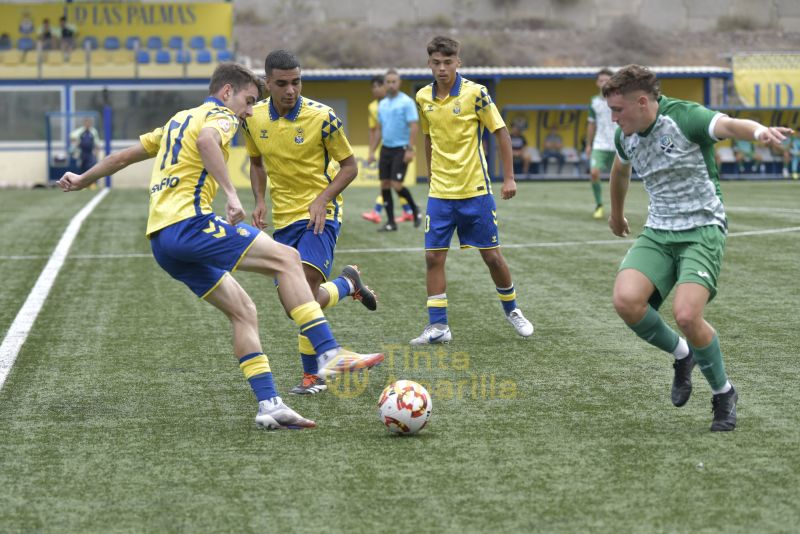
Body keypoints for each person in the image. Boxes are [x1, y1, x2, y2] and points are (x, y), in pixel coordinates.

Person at [57, 62, 383, 430]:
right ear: (227, 91)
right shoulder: (219, 114)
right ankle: (328, 352)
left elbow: (123, 157)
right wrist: (230, 194)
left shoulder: (177, 120)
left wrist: (84, 179)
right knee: (288, 259)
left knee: (244, 310)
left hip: (162, 242)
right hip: (191, 225)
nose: (247, 111)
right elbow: (207, 141)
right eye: (247, 101)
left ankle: (269, 405)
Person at [604, 64, 792, 431]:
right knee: (626, 301)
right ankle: (682, 354)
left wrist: (759, 132)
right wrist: (616, 215)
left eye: (617, 110)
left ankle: (723, 392)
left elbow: (728, 124)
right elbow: (620, 171)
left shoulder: (684, 117)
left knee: (687, 315)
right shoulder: (625, 135)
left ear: (642, 102)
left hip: (702, 229)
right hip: (658, 231)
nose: (613, 119)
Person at [244, 50, 380, 395]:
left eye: (297, 82)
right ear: (267, 84)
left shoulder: (323, 116)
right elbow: (256, 163)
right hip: (284, 219)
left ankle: (313, 376)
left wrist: (322, 199)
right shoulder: (253, 117)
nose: (291, 90)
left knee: (301, 291)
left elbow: (350, 166)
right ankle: (348, 284)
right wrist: (259, 200)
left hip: (321, 215)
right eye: (282, 84)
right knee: (297, 303)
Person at [411, 35, 533, 345]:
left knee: (492, 257)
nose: (442, 68)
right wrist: (429, 174)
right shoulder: (423, 97)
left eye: (448, 63)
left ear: (458, 63)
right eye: (436, 63)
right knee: (433, 258)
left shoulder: (476, 94)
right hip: (440, 192)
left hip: (475, 190)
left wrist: (509, 178)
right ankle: (438, 327)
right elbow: (428, 138)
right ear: (429, 64)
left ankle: (513, 311)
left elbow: (501, 133)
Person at [368, 68, 422, 232]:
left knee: (396, 184)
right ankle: (391, 222)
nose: (391, 85)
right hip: (386, 149)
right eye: (388, 82)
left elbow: (414, 126)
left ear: (399, 83)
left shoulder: (406, 102)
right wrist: (371, 151)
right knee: (384, 184)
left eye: (394, 82)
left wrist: (410, 149)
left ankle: (415, 209)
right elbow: (379, 129)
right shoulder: (382, 104)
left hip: (401, 148)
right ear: (385, 84)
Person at [585, 68, 615, 219]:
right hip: (600, 143)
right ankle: (599, 205)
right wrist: (589, 144)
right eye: (601, 80)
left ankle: (617, 210)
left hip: (618, 144)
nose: (604, 83)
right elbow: (591, 124)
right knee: (594, 172)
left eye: (607, 80)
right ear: (597, 83)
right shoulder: (594, 102)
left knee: (618, 178)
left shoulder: (619, 99)